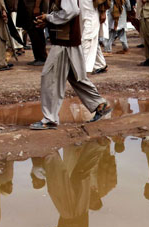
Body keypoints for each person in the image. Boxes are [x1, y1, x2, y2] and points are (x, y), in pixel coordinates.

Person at [30, 0, 112, 130]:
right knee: (76, 76)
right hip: (67, 38)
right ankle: (100, 105)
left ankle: (50, 118)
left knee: (50, 77)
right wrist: (48, 21)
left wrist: (49, 18)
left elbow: (72, 11)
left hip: (64, 41)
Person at [16, 0, 49, 66]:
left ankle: (42, 58)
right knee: (32, 32)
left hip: (34, 7)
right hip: (29, 7)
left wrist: (37, 6)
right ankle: (38, 57)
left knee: (36, 31)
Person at [80, 0, 109, 74]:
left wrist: (103, 12)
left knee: (88, 38)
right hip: (82, 11)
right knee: (92, 39)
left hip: (91, 12)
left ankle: (83, 69)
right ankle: (100, 64)